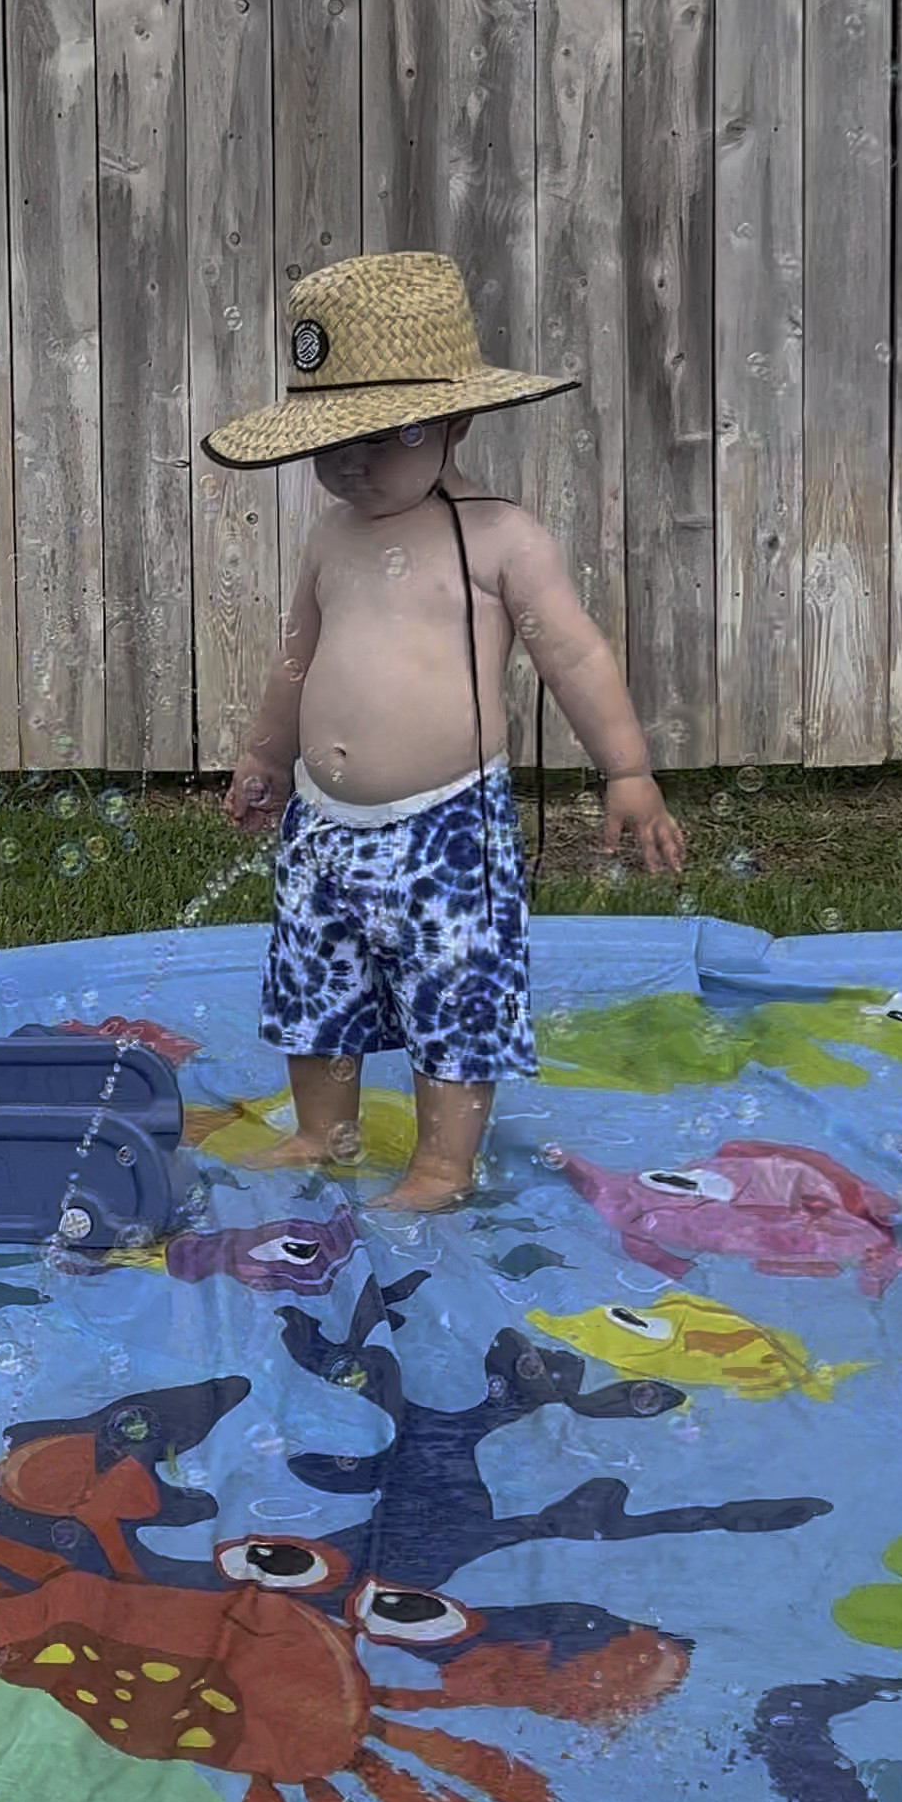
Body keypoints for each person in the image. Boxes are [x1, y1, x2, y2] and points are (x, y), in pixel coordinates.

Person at [205, 249, 686, 1215]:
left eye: (381, 435)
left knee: (454, 994)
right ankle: (321, 1131)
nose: (351, 461)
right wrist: (267, 755)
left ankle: (440, 1166)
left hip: (445, 834)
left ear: (457, 419)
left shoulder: (502, 537)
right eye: (331, 441)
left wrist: (626, 769)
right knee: (316, 985)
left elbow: (578, 658)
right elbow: (297, 657)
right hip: (323, 827)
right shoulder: (332, 538)